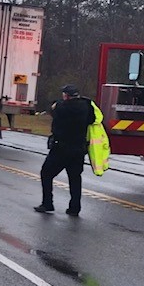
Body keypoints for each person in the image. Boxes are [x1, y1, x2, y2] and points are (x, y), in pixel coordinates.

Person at [35, 84, 95, 215]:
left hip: (61, 148)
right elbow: (92, 119)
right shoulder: (86, 106)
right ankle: (74, 208)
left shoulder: (61, 107)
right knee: (75, 178)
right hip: (78, 148)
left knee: (46, 173)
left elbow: (54, 111)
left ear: (66, 96)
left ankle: (47, 203)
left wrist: (57, 104)